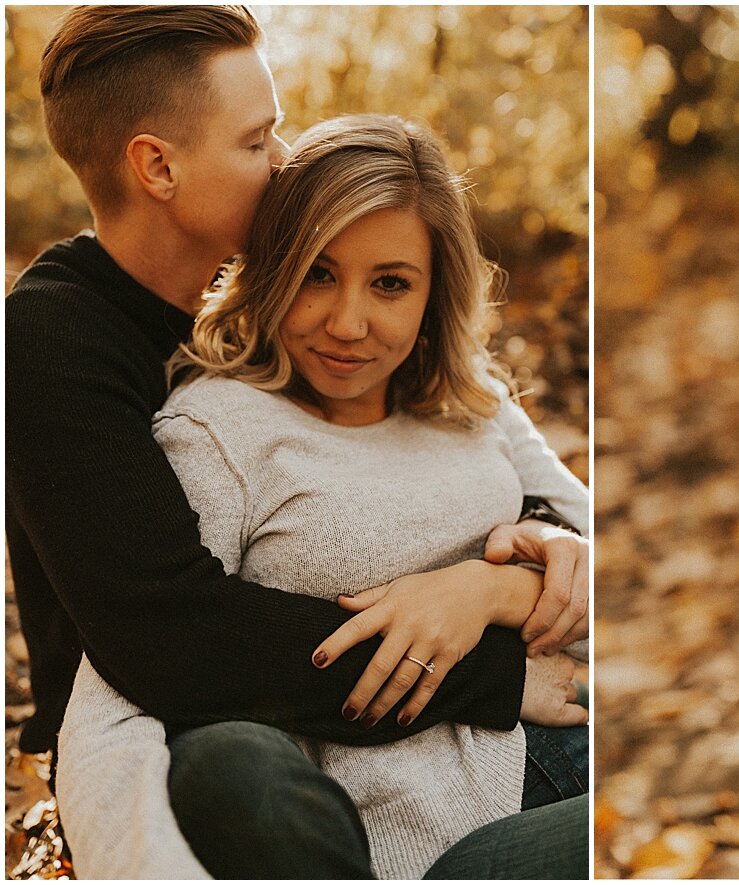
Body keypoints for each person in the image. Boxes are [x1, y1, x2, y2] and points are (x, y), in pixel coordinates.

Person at [7, 6, 583, 878]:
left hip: (410, 746)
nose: (284, 162)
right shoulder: (54, 339)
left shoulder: (231, 316)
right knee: (235, 768)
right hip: (184, 744)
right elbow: (173, 636)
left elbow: (523, 472)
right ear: (157, 164)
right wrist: (488, 668)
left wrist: (511, 572)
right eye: (258, 138)